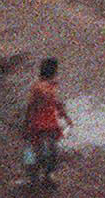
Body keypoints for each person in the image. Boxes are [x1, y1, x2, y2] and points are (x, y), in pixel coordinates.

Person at [22, 57, 71, 186]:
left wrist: (26, 123)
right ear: (54, 72)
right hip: (49, 121)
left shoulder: (39, 86)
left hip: (39, 121)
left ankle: (34, 175)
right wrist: (65, 117)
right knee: (51, 149)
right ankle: (48, 175)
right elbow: (57, 103)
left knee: (36, 149)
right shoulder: (50, 86)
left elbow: (31, 106)